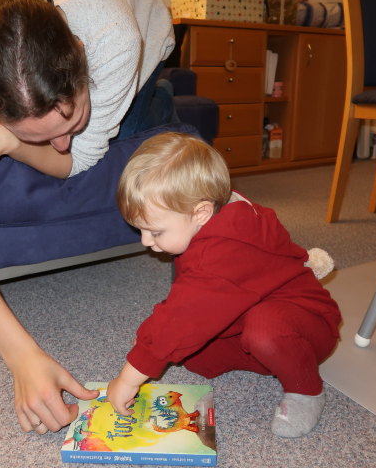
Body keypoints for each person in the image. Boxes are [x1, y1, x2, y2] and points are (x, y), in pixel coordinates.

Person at [0, 0, 175, 435]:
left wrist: (10, 140)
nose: (60, 143)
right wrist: (22, 356)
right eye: (38, 135)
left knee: (121, 132)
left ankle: (155, 101)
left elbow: (79, 161)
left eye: (70, 122)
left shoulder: (112, 35)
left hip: (147, 32)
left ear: (81, 57)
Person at [106, 132, 342, 438]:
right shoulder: (217, 210)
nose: (146, 242)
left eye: (155, 231)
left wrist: (129, 378)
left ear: (201, 212)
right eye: (140, 230)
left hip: (307, 324)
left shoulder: (221, 251)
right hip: (251, 307)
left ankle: (306, 390)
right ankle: (268, 355)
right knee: (196, 356)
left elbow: (182, 316)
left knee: (256, 330)